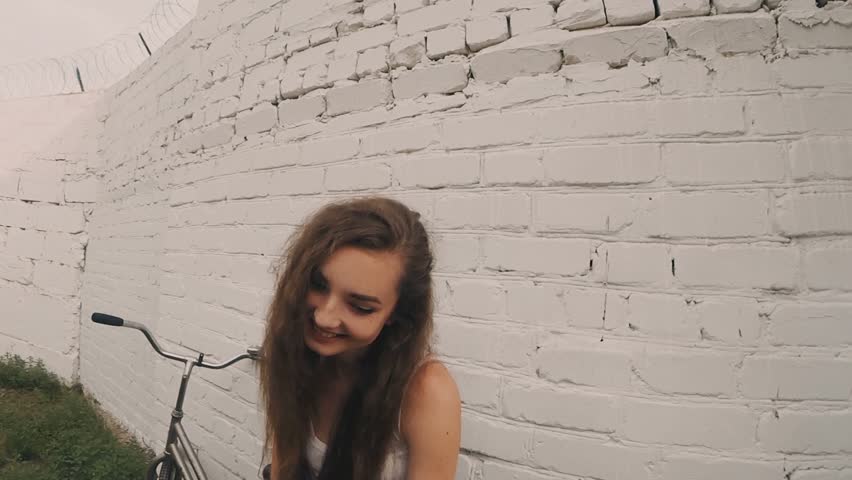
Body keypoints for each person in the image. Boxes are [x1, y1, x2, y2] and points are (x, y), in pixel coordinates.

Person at [259, 196, 461, 480]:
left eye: (360, 307)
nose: (324, 318)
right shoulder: (300, 356)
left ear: (396, 312)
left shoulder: (426, 391)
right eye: (317, 284)